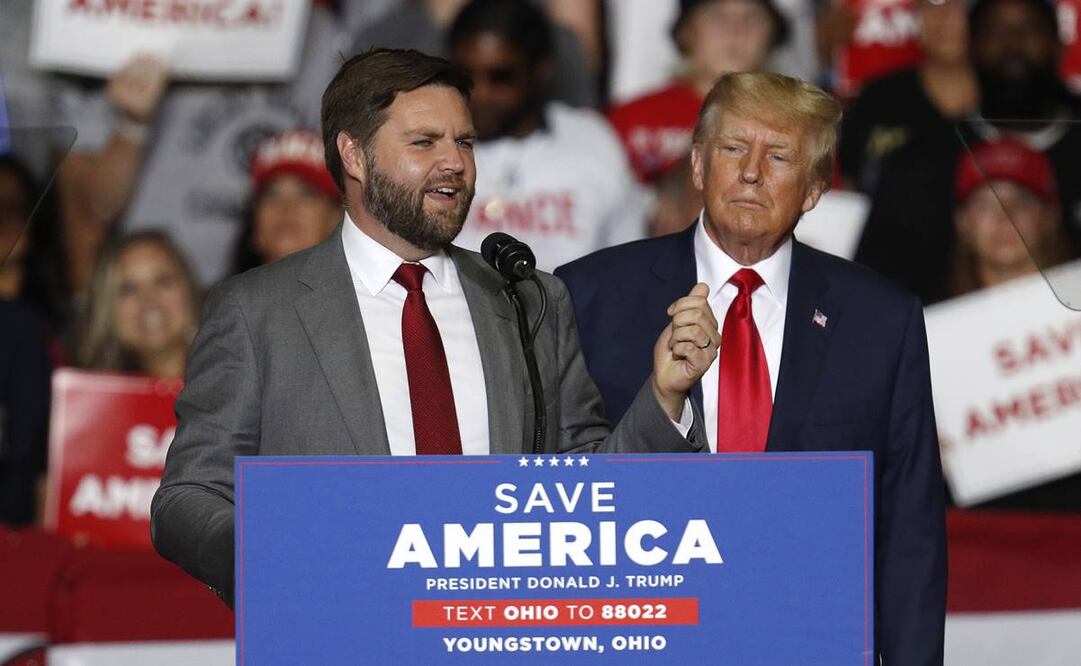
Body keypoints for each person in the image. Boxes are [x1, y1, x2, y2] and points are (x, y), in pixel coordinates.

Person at [151, 48, 720, 608]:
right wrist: (278, 563)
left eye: (464, 142)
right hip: (339, 634)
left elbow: (588, 493)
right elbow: (189, 497)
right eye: (425, 142)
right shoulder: (257, 311)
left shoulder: (528, 298)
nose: (455, 162)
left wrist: (665, 397)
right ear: (354, 154)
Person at [556, 72, 947, 664]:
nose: (750, 172)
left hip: (814, 642)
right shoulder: (588, 296)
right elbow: (557, 497)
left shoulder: (880, 321)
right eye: (733, 148)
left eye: (779, 155)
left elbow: (909, 532)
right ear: (696, 165)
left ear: (815, 188)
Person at [855, 0, 1081, 304]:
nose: (1012, 43)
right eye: (995, 31)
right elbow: (873, 292)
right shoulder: (920, 164)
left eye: (1029, 29)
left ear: (1059, 44)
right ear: (970, 47)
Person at [446, 0, 646, 271]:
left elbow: (630, 260)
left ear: (540, 70)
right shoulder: (430, 144)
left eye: (501, 76)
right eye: (465, 76)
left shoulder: (592, 142)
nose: (481, 93)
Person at [607, 0, 791, 185]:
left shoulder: (795, 121)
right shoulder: (629, 119)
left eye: (752, 18)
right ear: (686, 33)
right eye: (717, 18)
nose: (736, 31)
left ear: (772, 35)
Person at [839, 0, 978, 195]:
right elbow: (849, 182)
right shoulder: (878, 98)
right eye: (932, 4)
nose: (944, 17)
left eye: (957, 5)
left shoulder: (1009, 96)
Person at [948, 139, 1074, 299]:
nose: (1005, 217)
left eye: (1022, 201)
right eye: (985, 204)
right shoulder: (930, 321)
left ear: (1050, 215)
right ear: (962, 222)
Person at [77, 232, 201, 381]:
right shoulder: (91, 396)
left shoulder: (233, 378)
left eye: (162, 281)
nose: (149, 301)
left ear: (188, 290)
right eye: (129, 289)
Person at [231, 129, 342, 274]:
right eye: (272, 194)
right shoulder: (221, 296)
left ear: (337, 217)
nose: (286, 209)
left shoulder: (363, 295)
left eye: (306, 193)